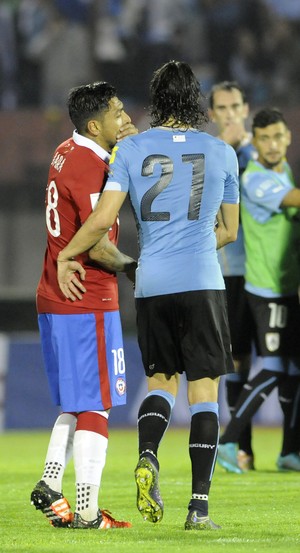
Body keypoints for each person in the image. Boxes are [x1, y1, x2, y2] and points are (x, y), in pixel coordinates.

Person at [55, 61, 240, 530]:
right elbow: (229, 231)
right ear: (195, 99)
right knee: (204, 394)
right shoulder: (221, 152)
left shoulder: (131, 149)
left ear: (155, 100)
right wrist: (191, 243)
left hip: (152, 283)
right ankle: (198, 508)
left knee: (160, 381)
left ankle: (147, 457)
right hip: (201, 280)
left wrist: (66, 255)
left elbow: (100, 221)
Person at [30, 81, 138, 530]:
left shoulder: (64, 151)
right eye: (116, 112)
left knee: (76, 402)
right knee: (98, 404)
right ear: (95, 125)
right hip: (87, 296)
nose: (123, 116)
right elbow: (95, 241)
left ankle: (50, 483)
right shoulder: (92, 167)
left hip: (54, 293)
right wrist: (134, 266)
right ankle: (89, 512)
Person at [217, 107, 300, 473]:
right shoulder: (254, 179)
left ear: (288, 138)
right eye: (263, 138)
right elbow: (293, 200)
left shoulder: (284, 171)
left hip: (287, 289)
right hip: (265, 291)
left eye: (277, 136)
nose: (271, 144)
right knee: (275, 366)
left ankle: (290, 452)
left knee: (294, 370)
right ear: (257, 141)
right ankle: (229, 440)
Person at [209, 81, 257, 472]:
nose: (229, 113)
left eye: (235, 106)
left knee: (282, 361)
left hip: (271, 272)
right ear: (212, 114)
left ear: (246, 108)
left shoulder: (266, 150)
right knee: (238, 359)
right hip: (231, 272)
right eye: (221, 108)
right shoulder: (210, 157)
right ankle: (242, 447)